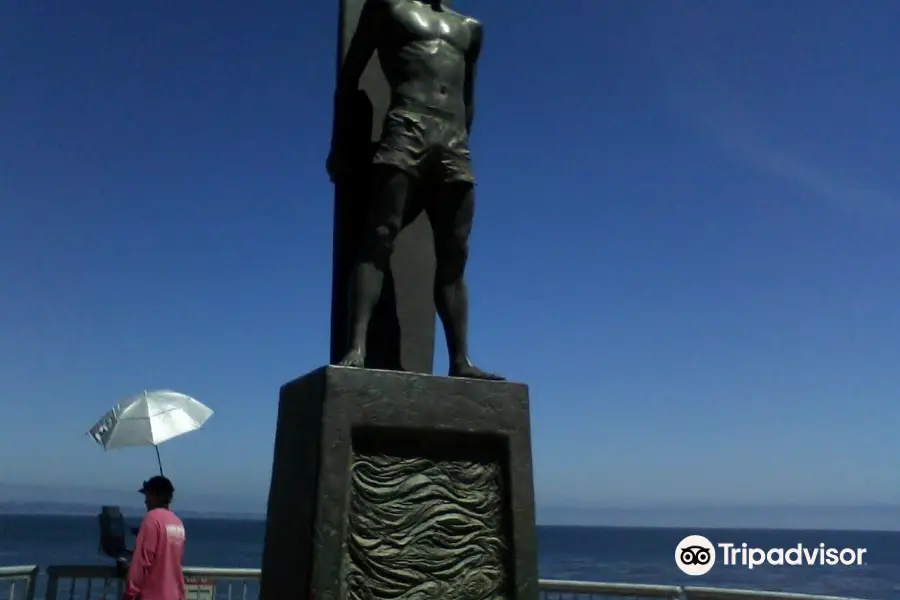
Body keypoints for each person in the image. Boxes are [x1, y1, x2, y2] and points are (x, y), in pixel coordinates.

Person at [328, 0, 503, 380]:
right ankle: (356, 347)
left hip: (452, 141)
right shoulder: (388, 7)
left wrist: (461, 143)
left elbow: (468, 97)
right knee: (379, 235)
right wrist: (340, 143)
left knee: (455, 255)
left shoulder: (470, 27)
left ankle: (461, 359)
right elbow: (351, 74)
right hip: (406, 126)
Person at [122, 476, 186, 600]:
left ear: (158, 496)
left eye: (148, 495)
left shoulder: (151, 519)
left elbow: (142, 561)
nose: (145, 501)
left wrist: (130, 593)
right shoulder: (178, 523)